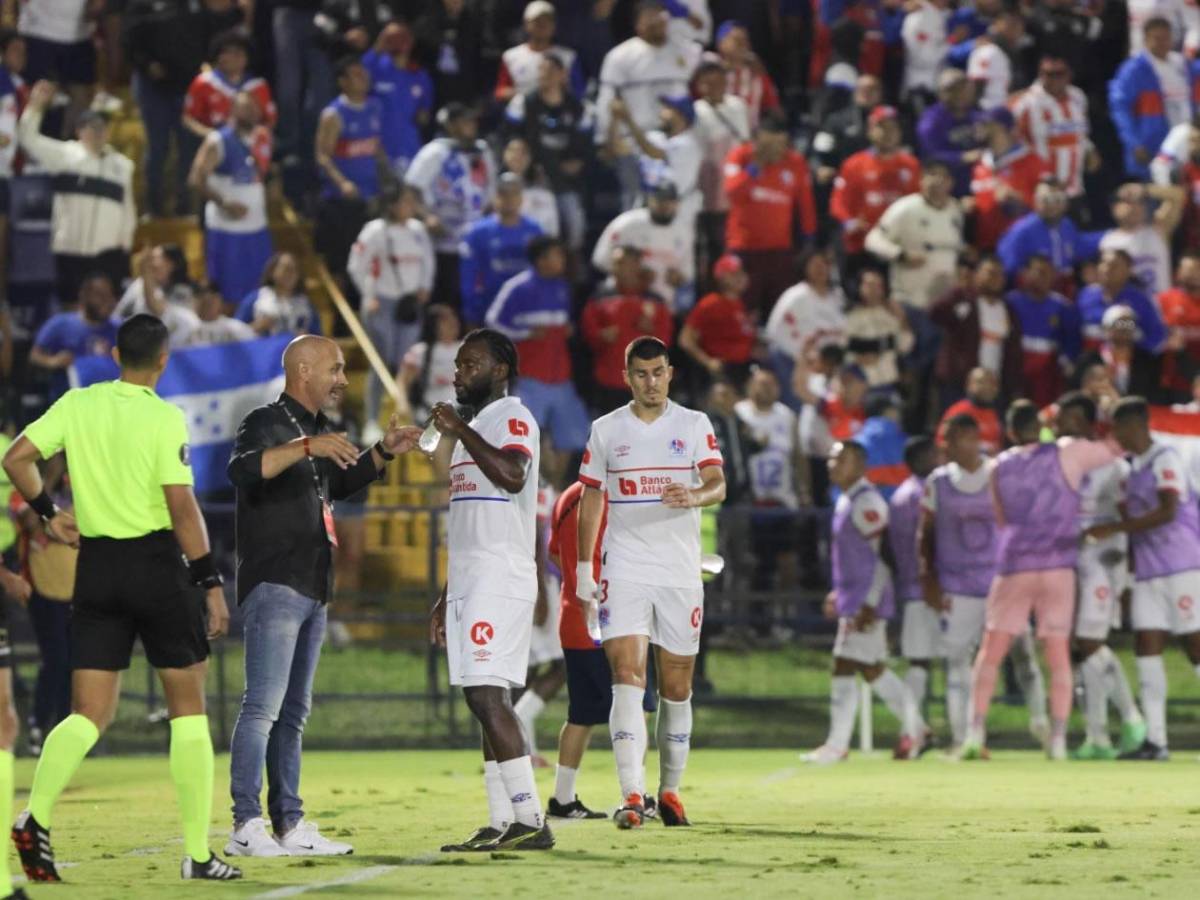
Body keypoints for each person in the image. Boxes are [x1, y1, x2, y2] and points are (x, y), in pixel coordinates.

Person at [3, 315, 239, 882]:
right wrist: (210, 582)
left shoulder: (78, 404)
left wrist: (49, 513)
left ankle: (35, 816)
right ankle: (197, 855)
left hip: (97, 568)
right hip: (156, 568)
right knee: (188, 710)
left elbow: (15, 459)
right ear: (163, 360)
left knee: (88, 713)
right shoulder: (163, 417)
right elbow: (182, 508)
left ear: (114, 355)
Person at [224, 335, 422, 856]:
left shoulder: (315, 430)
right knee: (262, 708)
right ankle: (245, 823)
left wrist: (384, 451)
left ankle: (289, 825)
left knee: (292, 713)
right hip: (275, 581)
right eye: (334, 369)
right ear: (303, 370)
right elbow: (242, 471)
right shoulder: (265, 421)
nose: (342, 379)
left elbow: (338, 485)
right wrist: (308, 448)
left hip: (313, 583)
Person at [575, 335, 725, 828]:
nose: (650, 382)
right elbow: (591, 497)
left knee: (677, 686)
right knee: (627, 675)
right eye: (640, 374)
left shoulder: (694, 424)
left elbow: (718, 483)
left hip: (679, 571)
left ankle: (671, 790)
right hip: (625, 568)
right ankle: (632, 796)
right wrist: (584, 569)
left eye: (658, 372)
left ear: (670, 373)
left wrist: (695, 495)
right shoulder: (606, 429)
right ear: (627, 378)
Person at [429, 328, 555, 852]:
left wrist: (458, 428)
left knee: (487, 694)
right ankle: (502, 819)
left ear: (499, 370)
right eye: (458, 364)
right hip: (471, 579)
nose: (459, 373)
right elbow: (469, 520)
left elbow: (514, 473)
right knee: (482, 697)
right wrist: (446, 594)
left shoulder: (512, 417)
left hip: (500, 577)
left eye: (471, 364)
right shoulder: (478, 427)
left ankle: (531, 819)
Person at [961, 400, 1120, 761]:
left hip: (1014, 565)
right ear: (1042, 427)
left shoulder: (997, 466)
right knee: (1058, 655)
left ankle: (974, 732)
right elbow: (1113, 448)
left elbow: (1000, 518)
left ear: (1010, 432)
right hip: (1058, 565)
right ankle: (1059, 740)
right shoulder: (1068, 452)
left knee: (991, 652)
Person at [1087, 397, 1200, 761]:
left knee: (1195, 647)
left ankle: (1156, 739)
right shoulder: (1134, 469)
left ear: (1135, 424)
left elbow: (1169, 511)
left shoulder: (1165, 458)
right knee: (1146, 648)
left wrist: (1115, 528)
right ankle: (1156, 740)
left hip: (1182, 565)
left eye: (1117, 427)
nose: (1115, 435)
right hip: (1149, 572)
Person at [803, 440, 925, 765]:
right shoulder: (848, 499)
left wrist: (870, 602)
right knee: (871, 669)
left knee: (845, 664)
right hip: (855, 599)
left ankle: (837, 745)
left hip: (866, 602)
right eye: (831, 459)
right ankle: (918, 729)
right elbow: (854, 556)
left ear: (860, 465)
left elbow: (884, 554)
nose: (832, 464)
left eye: (840, 459)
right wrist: (838, 593)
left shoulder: (867, 501)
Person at [1052, 393, 1146, 760]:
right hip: (1071, 561)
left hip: (1103, 563)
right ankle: (1098, 736)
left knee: (1090, 642)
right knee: (1080, 648)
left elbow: (1130, 517)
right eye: (1061, 418)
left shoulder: (1114, 466)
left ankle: (1132, 718)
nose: (1062, 425)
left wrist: (1127, 572)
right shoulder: (1058, 462)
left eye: (1071, 418)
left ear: (1088, 423)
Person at [916, 415, 996, 750]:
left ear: (971, 438)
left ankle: (1046, 732)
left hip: (999, 585)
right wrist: (929, 579)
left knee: (1021, 657)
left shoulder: (998, 473)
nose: (944, 445)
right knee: (957, 662)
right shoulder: (938, 482)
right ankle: (964, 739)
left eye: (951, 438)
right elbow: (925, 535)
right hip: (956, 586)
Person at [17, 79, 135, 306]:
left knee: (106, 307)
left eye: (102, 127)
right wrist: (35, 107)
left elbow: (128, 210)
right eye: (91, 127)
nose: (97, 132)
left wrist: (125, 248)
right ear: (79, 131)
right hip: (70, 249)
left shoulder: (123, 166)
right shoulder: (64, 155)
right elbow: (27, 138)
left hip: (108, 253)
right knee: (71, 304)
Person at [486, 236, 589, 480]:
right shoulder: (516, 287)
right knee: (527, 434)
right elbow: (493, 323)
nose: (562, 260)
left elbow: (561, 323)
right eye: (556, 255)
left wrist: (568, 330)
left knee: (572, 436)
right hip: (530, 377)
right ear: (541, 260)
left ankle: (555, 487)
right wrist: (527, 333)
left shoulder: (562, 287)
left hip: (561, 377)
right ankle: (537, 487)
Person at [347, 184, 436, 439]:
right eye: (406, 201)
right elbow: (356, 265)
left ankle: (413, 415)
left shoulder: (418, 230)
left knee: (408, 361)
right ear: (392, 204)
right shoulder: (375, 230)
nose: (411, 206)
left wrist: (425, 287)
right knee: (381, 362)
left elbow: (428, 261)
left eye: (412, 201)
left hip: (409, 304)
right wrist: (368, 296)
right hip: (382, 302)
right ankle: (372, 421)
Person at [543, 479, 609, 820]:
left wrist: (575, 577)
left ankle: (563, 798)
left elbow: (554, 551)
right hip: (607, 617)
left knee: (581, 714)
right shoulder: (612, 495)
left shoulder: (566, 496)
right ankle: (637, 794)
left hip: (572, 614)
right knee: (636, 703)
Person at [595, 1, 699, 209]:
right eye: (649, 17)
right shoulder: (620, 56)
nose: (656, 22)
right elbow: (608, 102)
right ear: (638, 24)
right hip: (634, 141)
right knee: (636, 202)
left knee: (677, 199)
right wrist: (604, 140)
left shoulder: (686, 51)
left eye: (660, 16)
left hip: (674, 141)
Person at [722, 111, 817, 317]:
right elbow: (733, 193)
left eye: (781, 144)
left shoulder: (795, 162)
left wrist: (809, 239)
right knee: (743, 310)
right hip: (744, 248)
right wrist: (756, 166)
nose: (776, 151)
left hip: (779, 251)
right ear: (757, 141)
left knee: (779, 310)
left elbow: (805, 204)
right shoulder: (740, 156)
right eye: (770, 145)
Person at [406, 102, 498, 310]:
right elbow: (411, 189)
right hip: (444, 240)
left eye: (472, 121)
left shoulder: (482, 150)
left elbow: (491, 189)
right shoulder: (435, 152)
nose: (471, 125)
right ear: (451, 125)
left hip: (476, 239)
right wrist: (427, 217)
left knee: (473, 297)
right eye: (464, 121)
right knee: (446, 296)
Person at [188, 89, 275, 309]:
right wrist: (224, 203)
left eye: (255, 107)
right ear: (232, 109)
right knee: (227, 293)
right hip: (227, 230)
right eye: (246, 107)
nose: (252, 112)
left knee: (260, 292)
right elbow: (196, 178)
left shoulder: (263, 138)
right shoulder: (218, 140)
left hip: (257, 227)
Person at [503, 52, 589, 252]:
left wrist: (578, 161)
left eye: (550, 70)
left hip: (565, 179)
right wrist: (521, 162)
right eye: (541, 70)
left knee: (575, 228)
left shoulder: (577, 107)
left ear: (563, 74)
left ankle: (570, 267)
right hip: (532, 178)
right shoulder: (523, 102)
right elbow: (510, 138)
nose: (544, 75)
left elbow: (586, 144)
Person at [315, 57, 387, 279]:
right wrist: (342, 183)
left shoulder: (375, 107)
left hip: (370, 194)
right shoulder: (334, 114)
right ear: (342, 82)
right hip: (341, 200)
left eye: (363, 73)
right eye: (356, 75)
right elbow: (322, 156)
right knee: (342, 258)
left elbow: (377, 147)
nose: (363, 78)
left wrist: (387, 176)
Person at [580, 245, 675, 413]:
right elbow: (588, 334)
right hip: (609, 381)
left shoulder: (655, 301)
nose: (620, 268)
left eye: (626, 263)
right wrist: (601, 336)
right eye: (617, 263)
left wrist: (651, 332)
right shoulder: (599, 298)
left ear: (638, 265)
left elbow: (665, 340)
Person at [830, 106, 921, 275]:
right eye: (882, 127)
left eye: (893, 128)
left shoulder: (911, 165)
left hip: (896, 245)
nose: (888, 133)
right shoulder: (854, 164)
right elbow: (838, 202)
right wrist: (849, 222)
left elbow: (917, 203)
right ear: (870, 131)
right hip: (860, 245)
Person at [864, 159, 964, 314]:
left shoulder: (955, 210)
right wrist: (901, 255)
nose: (938, 180)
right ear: (921, 180)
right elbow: (872, 240)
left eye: (943, 177)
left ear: (951, 183)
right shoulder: (905, 208)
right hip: (910, 301)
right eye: (932, 175)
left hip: (944, 304)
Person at [1110, 16, 1199, 179]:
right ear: (1145, 40)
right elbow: (1120, 109)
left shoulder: (1183, 65)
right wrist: (1134, 143)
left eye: (1166, 38)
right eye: (1156, 38)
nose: (1162, 43)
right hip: (1153, 144)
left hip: (1186, 141)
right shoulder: (1134, 70)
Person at [930, 255, 1024, 406]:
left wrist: (1013, 385)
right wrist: (960, 289)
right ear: (976, 274)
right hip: (960, 383)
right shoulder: (964, 299)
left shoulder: (1008, 309)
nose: (996, 278)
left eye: (1000, 274)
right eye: (991, 273)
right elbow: (935, 313)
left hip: (994, 387)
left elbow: (1013, 349)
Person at [888, 436, 938, 722]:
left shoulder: (899, 495)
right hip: (933, 588)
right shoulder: (926, 494)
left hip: (910, 589)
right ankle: (916, 728)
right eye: (934, 454)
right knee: (956, 661)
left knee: (919, 663)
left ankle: (912, 729)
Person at [592, 181, 694, 313]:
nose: (665, 205)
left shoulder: (684, 231)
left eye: (670, 201)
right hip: (621, 301)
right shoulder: (627, 223)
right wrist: (634, 274)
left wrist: (679, 277)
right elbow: (600, 259)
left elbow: (688, 271)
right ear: (650, 200)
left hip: (664, 304)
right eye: (660, 200)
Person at [460, 174, 543, 327]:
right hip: (488, 308)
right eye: (503, 194)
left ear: (521, 198)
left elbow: (542, 272)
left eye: (514, 193)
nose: (509, 199)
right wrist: (471, 311)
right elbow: (469, 275)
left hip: (526, 310)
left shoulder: (535, 230)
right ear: (495, 197)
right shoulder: (478, 232)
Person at [1012, 56, 1093, 208]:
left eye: (1059, 73)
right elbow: (1013, 141)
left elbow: (1082, 132)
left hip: (1074, 188)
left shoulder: (1078, 97)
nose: (1054, 79)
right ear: (1040, 74)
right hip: (1041, 191)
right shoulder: (1025, 103)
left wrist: (1090, 150)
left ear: (1069, 74)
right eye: (1049, 74)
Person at [692, 58, 750, 266]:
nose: (714, 87)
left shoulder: (738, 105)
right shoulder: (695, 111)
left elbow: (746, 140)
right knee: (714, 243)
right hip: (711, 187)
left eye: (719, 82)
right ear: (699, 85)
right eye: (708, 83)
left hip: (739, 185)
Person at [997, 176, 1102, 290]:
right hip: (1033, 292)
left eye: (1057, 199)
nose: (1052, 205)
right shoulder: (1021, 231)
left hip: (1065, 289)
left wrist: (1110, 235)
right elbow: (1007, 268)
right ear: (1036, 201)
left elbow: (1080, 245)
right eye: (1046, 199)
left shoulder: (1066, 225)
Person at [1005, 254, 1081, 408]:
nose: (1044, 277)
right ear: (1026, 274)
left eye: (1049, 273)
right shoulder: (1011, 302)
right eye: (1039, 272)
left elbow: (1071, 342)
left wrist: (1064, 367)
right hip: (1016, 367)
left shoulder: (1063, 307)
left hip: (1047, 373)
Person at [969, 107, 1049, 251]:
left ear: (1001, 127)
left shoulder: (1032, 161)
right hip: (987, 249)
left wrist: (1019, 203)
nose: (978, 127)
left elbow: (1048, 210)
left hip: (1023, 249)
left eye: (985, 123)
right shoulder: (980, 164)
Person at [29, 272, 119, 399]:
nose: (107, 301)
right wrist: (53, 361)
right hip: (69, 399)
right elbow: (34, 356)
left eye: (109, 296)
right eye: (100, 295)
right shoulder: (61, 324)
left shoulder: (120, 329)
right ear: (84, 296)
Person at [362, 21, 433, 176]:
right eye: (391, 37)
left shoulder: (419, 75)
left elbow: (425, 110)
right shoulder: (376, 68)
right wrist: (377, 47)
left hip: (409, 145)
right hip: (379, 145)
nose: (397, 41)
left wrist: (423, 115)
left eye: (401, 37)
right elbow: (357, 75)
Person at [679, 254, 757, 387]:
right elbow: (685, 339)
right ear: (721, 278)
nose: (741, 277)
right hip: (723, 371)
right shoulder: (710, 304)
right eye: (734, 274)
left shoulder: (741, 305)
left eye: (742, 273)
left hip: (745, 367)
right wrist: (708, 362)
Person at [182, 30, 276, 141]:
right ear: (218, 56)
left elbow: (269, 120)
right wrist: (214, 137)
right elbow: (188, 119)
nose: (233, 58)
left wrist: (258, 136)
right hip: (212, 141)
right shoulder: (204, 82)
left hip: (251, 142)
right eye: (227, 52)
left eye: (238, 53)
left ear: (247, 57)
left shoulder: (258, 85)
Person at [1099, 181, 1185, 299]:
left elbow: (1178, 195)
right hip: (1128, 305)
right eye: (1128, 202)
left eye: (1139, 201)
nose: (1135, 206)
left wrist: (1145, 189)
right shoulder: (1107, 241)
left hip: (1162, 304)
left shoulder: (1159, 229)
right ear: (1115, 208)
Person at [1076, 248, 1166, 354]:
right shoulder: (1086, 296)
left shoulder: (1140, 300)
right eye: (1103, 263)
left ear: (1128, 271)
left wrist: (1136, 355)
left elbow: (1157, 335)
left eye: (1114, 266)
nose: (1107, 269)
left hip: (1128, 359)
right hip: (1091, 359)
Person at [495, 1, 585, 102]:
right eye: (537, 21)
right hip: (522, 109)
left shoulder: (569, 57)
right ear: (526, 24)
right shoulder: (510, 56)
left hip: (558, 109)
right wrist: (524, 97)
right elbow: (500, 91)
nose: (543, 25)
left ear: (554, 25)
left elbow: (579, 92)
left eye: (547, 21)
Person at [844, 267, 913, 397]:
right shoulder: (851, 317)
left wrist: (903, 319)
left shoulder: (892, 315)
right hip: (862, 386)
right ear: (860, 287)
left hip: (890, 382)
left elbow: (905, 346)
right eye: (869, 285)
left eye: (878, 285)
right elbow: (843, 349)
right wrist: (857, 359)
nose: (874, 290)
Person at [916, 69, 983, 198]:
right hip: (946, 192)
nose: (959, 94)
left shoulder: (977, 114)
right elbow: (931, 155)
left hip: (977, 186)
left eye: (963, 88)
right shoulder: (931, 119)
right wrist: (962, 157)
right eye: (952, 89)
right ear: (940, 92)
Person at [116, 247, 201, 347]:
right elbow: (118, 314)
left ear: (171, 264)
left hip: (172, 348)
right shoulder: (139, 285)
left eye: (154, 258)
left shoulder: (184, 291)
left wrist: (146, 273)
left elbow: (158, 310)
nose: (150, 263)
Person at [400, 304, 463, 421]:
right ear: (433, 324)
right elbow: (403, 381)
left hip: (463, 414)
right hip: (430, 414)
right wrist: (403, 404)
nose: (453, 322)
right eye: (445, 320)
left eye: (454, 317)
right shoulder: (420, 351)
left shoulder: (467, 348)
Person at [715, 19, 781, 129]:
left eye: (745, 40)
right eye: (737, 40)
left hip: (749, 135)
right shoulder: (709, 71)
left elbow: (774, 109)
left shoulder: (757, 75)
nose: (743, 45)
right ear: (721, 43)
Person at [242, 252, 322, 337]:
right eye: (286, 269)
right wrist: (256, 326)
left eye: (295, 270)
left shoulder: (306, 305)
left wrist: (307, 336)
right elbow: (235, 333)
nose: (291, 274)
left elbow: (319, 336)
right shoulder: (255, 299)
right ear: (272, 272)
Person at [938, 368, 1003, 454]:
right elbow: (942, 443)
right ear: (969, 385)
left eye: (991, 382)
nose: (987, 386)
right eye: (981, 382)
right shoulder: (959, 412)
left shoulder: (994, 413)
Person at [179, 283, 255, 346]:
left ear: (219, 300)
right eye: (200, 298)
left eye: (210, 301)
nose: (206, 305)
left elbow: (254, 349)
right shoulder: (185, 328)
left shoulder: (237, 328)